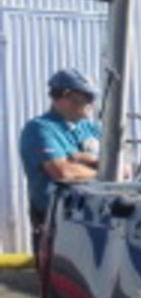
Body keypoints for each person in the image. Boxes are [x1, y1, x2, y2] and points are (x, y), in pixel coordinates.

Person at [19, 68, 103, 242]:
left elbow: (126, 167)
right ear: (64, 96)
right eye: (86, 97)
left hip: (97, 221)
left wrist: (80, 158)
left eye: (92, 98)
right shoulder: (40, 128)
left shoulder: (92, 128)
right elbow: (62, 172)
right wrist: (105, 171)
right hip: (58, 225)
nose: (90, 103)